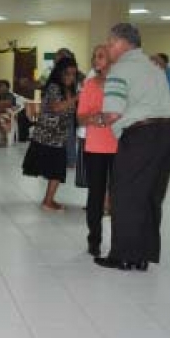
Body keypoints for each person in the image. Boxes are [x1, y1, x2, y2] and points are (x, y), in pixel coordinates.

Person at [94, 23, 170, 271]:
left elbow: (112, 113)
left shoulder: (120, 69)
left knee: (125, 194)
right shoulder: (153, 67)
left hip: (142, 135)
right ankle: (142, 256)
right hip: (169, 133)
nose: (108, 48)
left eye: (111, 43)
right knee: (151, 195)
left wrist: (95, 119)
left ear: (124, 44)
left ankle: (122, 255)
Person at [76, 45, 118, 256]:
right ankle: (94, 240)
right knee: (96, 194)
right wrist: (95, 117)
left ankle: (120, 243)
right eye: (94, 56)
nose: (95, 60)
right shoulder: (90, 85)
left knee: (120, 196)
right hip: (96, 147)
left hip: (122, 146)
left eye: (100, 56)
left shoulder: (124, 84)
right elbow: (80, 117)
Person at [21, 58, 78, 211]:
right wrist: (76, 98)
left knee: (57, 171)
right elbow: (56, 108)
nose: (70, 77)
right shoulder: (54, 87)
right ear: (60, 73)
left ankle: (48, 200)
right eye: (67, 74)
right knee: (57, 170)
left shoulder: (70, 89)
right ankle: (48, 201)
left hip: (59, 136)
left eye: (73, 74)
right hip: (47, 135)